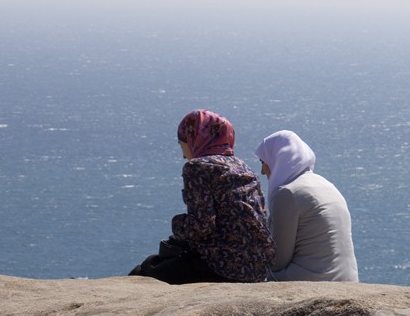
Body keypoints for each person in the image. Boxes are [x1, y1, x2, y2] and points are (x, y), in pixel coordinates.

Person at [130, 110, 275, 284]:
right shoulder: (242, 166)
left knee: (145, 271)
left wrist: (177, 223)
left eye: (181, 143)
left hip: (226, 266)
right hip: (258, 265)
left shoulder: (197, 167)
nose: (184, 154)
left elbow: (201, 226)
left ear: (193, 138)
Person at [254, 130, 359, 282]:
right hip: (348, 279)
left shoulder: (287, 193)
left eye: (263, 162)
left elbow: (277, 261)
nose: (262, 171)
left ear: (278, 158)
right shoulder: (327, 184)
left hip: (313, 280)